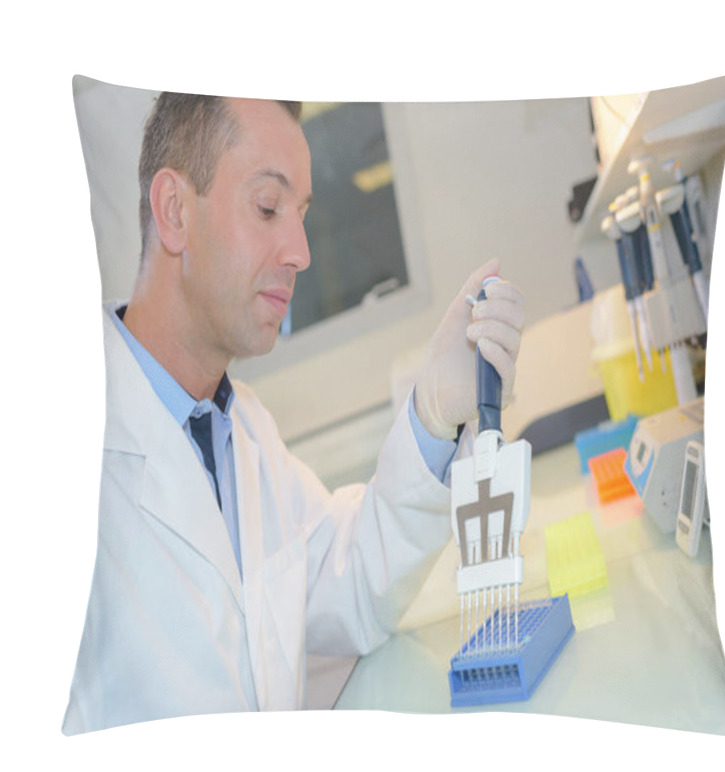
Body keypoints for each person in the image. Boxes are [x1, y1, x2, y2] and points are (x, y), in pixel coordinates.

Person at [62, 93, 525, 734]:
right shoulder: (57, 442)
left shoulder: (242, 427)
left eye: (302, 216)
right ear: (174, 212)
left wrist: (431, 413)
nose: (302, 252)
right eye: (268, 207)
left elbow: (350, 578)